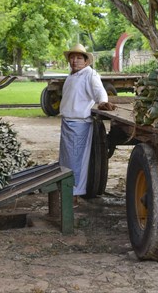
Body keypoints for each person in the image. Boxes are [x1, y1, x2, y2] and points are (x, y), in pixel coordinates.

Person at [58, 43, 115, 208]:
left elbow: (99, 91)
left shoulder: (90, 74)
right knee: (67, 160)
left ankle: (73, 196)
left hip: (79, 124)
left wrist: (103, 102)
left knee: (75, 161)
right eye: (72, 57)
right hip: (68, 123)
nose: (74, 61)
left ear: (86, 61)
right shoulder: (72, 75)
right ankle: (68, 192)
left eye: (78, 58)